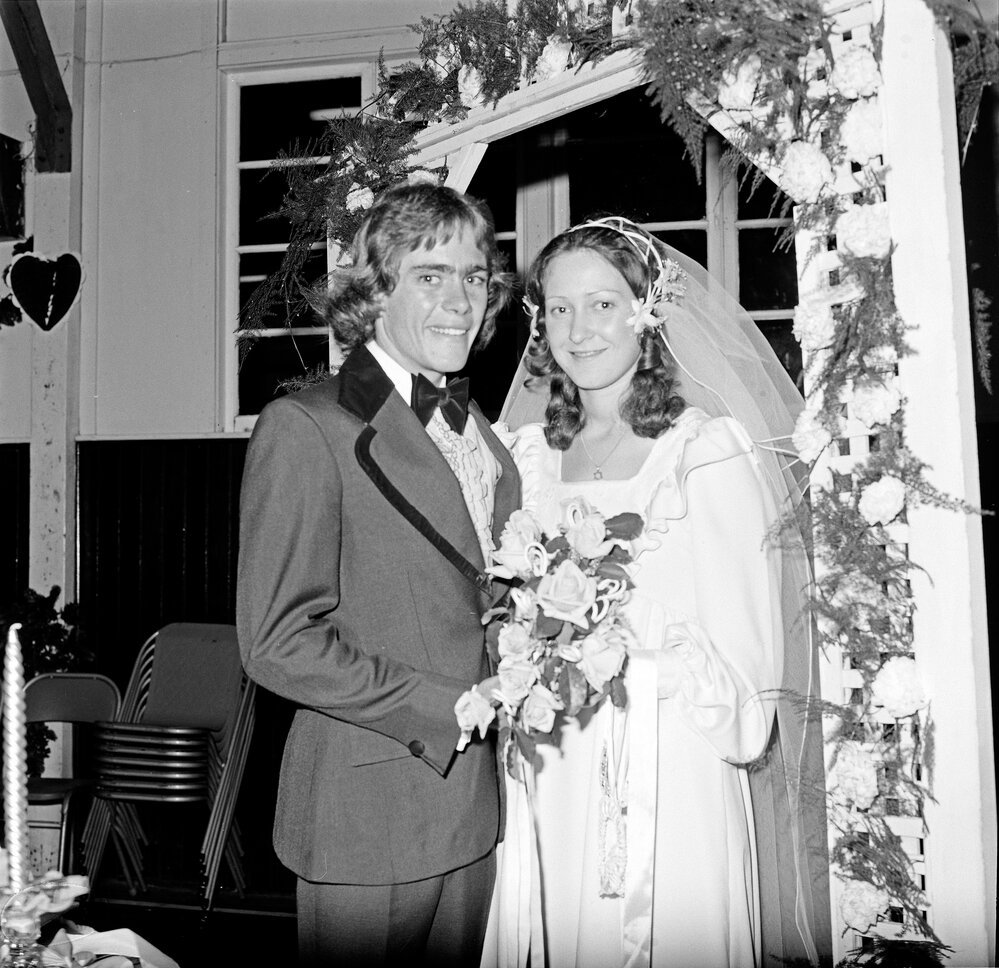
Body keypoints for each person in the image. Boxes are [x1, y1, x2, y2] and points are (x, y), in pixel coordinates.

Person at [483, 217, 830, 968]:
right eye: (559, 309)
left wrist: (636, 648)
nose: (578, 330)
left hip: (671, 775)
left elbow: (748, 688)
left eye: (602, 304)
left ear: (647, 309)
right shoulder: (523, 458)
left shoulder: (703, 454)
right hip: (552, 770)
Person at [237, 182, 521, 967]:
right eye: (429, 277)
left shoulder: (484, 436)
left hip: (474, 806)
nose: (458, 301)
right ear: (374, 292)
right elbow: (275, 642)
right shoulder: (308, 427)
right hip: (368, 806)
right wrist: (444, 706)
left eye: (473, 277)